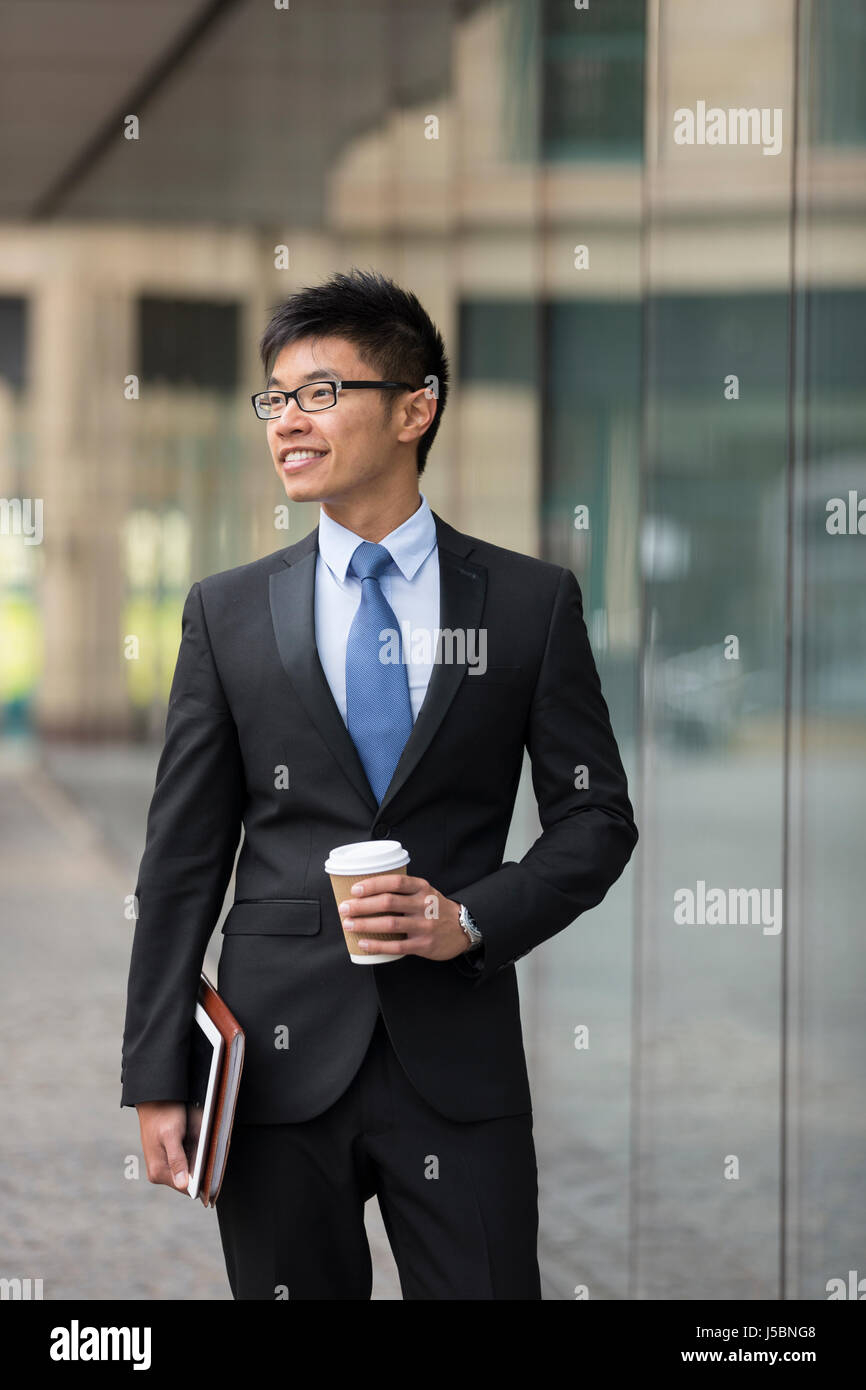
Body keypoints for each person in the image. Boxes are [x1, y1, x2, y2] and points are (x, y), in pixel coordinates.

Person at [120, 267, 638, 1300]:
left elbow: (593, 817)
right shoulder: (227, 613)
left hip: (457, 1053)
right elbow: (181, 856)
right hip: (271, 1061)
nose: (287, 422)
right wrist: (155, 1074)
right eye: (274, 397)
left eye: (321, 392)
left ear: (414, 408)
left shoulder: (527, 603)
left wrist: (470, 919)